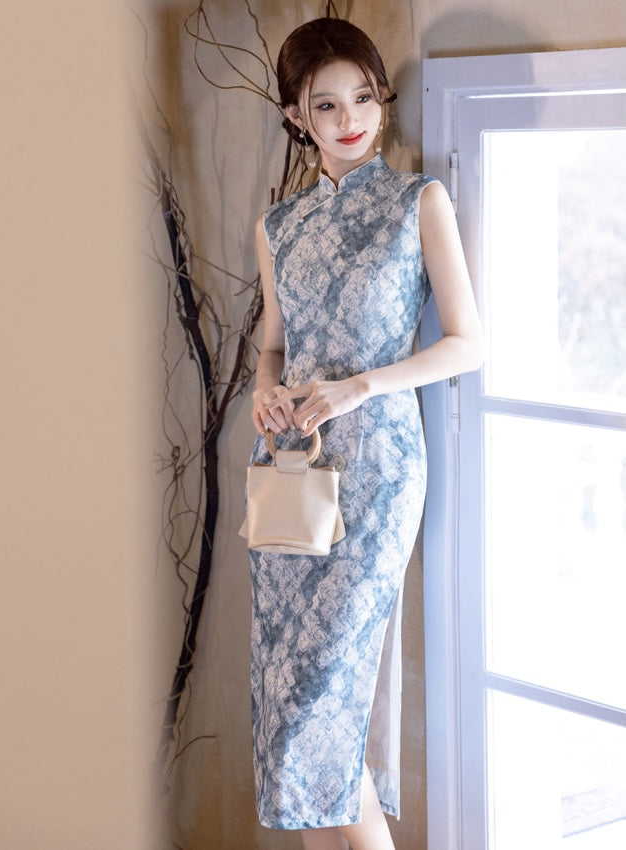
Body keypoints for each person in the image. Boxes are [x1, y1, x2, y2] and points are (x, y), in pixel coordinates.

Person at [246, 17, 482, 850]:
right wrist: (264, 392)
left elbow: (467, 343)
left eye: (363, 98)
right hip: (291, 471)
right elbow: (273, 347)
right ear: (295, 115)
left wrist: (359, 386)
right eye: (325, 104)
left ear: (381, 100)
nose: (349, 119)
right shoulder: (278, 227)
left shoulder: (418, 202)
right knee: (291, 711)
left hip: (378, 467)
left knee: (322, 704)